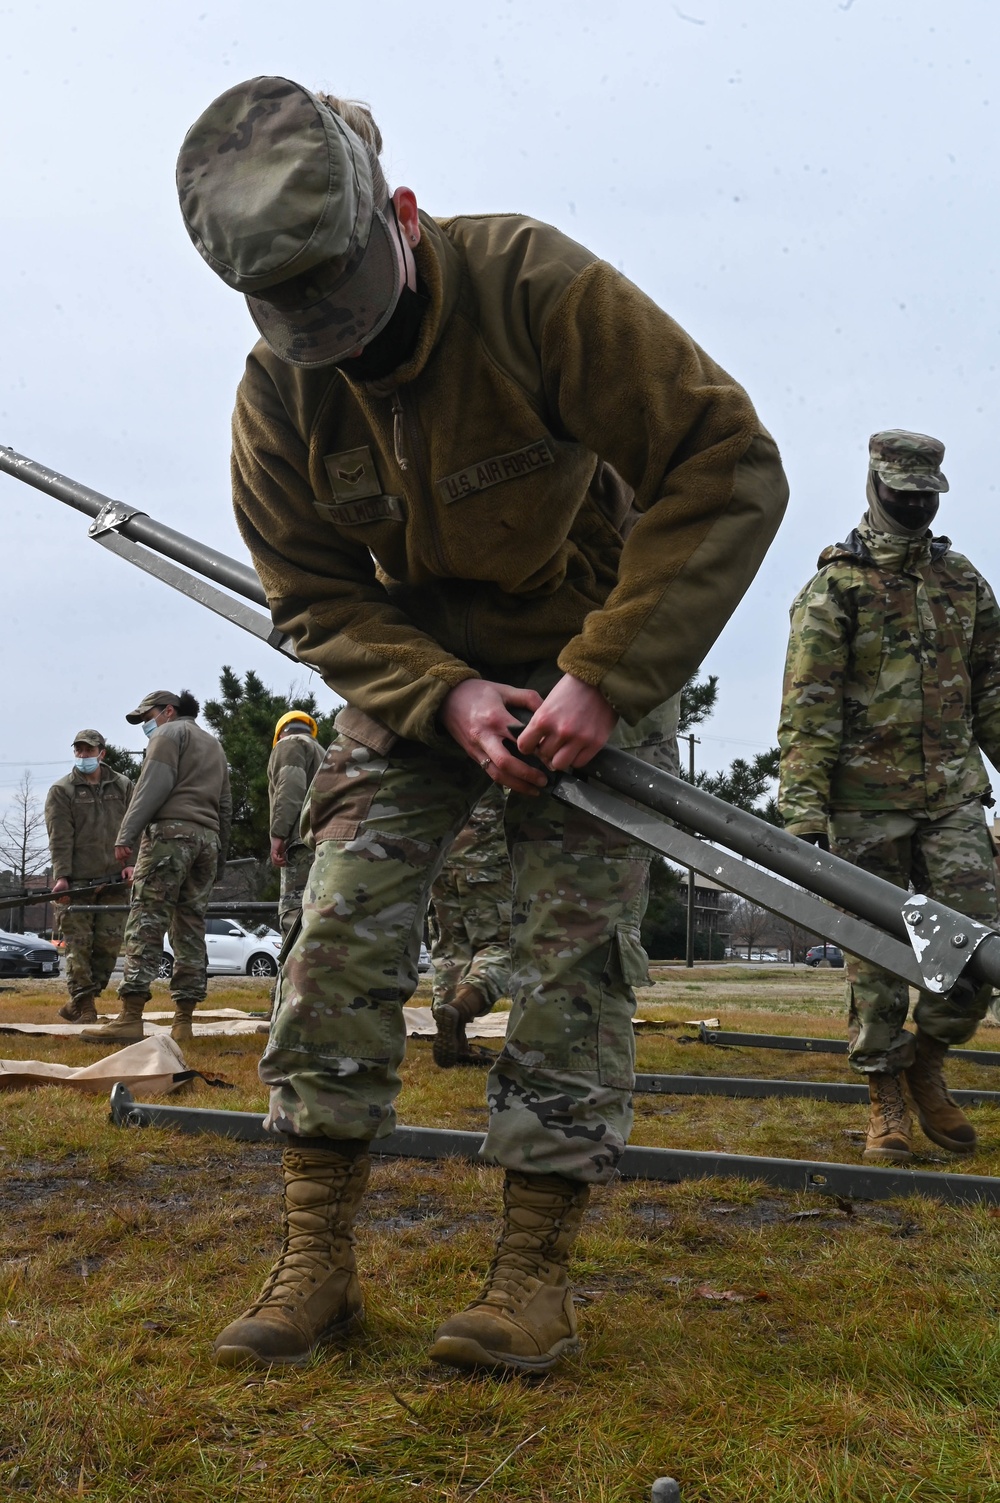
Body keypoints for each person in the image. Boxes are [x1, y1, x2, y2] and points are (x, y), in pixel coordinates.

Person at [176, 75, 788, 1372]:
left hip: (588, 662)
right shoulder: (278, 395)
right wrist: (439, 693)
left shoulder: (534, 289)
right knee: (334, 929)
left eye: (356, 309)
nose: (348, 352)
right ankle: (314, 1263)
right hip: (413, 687)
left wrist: (606, 674)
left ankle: (530, 1280)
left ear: (403, 214)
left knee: (572, 959)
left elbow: (722, 460)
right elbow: (309, 590)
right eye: (310, 330)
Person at [779, 430, 1000, 1165]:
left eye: (924, 494)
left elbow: (994, 689)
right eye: (901, 490)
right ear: (875, 486)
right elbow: (809, 704)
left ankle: (928, 1058)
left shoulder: (964, 583)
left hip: (952, 795)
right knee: (875, 960)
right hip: (862, 801)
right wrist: (803, 813)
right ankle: (885, 1099)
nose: (912, 503)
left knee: (976, 942)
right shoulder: (835, 587)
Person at [81, 691, 232, 1045]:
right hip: (206, 841)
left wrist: (126, 835)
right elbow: (225, 805)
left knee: (147, 920)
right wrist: (219, 860)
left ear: (168, 711)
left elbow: (152, 786)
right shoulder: (214, 745)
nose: (145, 725)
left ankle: (131, 1016)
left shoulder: (168, 735)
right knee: (191, 926)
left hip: (169, 836)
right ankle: (183, 1021)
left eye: (147, 716)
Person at [44, 730, 133, 1022]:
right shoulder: (63, 790)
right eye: (79, 751)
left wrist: (132, 863)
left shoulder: (122, 786)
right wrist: (62, 876)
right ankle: (84, 1006)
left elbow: (136, 825)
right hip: (78, 883)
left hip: (115, 880)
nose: (83, 756)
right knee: (78, 945)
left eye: (89, 750)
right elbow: (59, 836)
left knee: (107, 948)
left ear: (101, 753)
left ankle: (82, 1000)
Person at [428, 783, 512, 1068]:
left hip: (441, 856)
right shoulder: (488, 739)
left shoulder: (439, 739)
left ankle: (456, 1040)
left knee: (451, 950)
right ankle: (460, 1008)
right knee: (500, 946)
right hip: (485, 859)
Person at [268, 711, 326, 937]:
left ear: (280, 733)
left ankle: (293, 973)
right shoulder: (323, 751)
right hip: (322, 842)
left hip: (299, 844)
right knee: (316, 912)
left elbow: (290, 788)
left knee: (294, 914)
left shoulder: (289, 745)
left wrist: (278, 835)